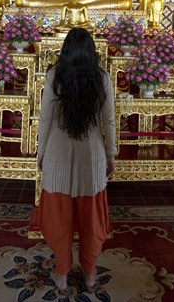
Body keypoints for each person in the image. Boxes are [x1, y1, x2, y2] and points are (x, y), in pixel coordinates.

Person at [37, 28, 116, 293]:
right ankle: (90, 273)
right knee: (92, 220)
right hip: (91, 154)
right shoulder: (101, 78)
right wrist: (111, 153)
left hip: (58, 152)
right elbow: (108, 120)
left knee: (59, 219)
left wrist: (41, 152)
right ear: (92, 52)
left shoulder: (54, 76)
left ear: (65, 52)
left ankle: (62, 274)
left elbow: (45, 118)